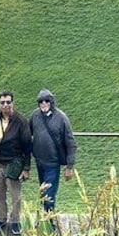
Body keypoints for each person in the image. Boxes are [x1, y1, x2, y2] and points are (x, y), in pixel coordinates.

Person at [0, 90, 31, 236]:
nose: (5, 105)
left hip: (13, 164)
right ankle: (1, 218)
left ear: (13, 103)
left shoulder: (20, 121)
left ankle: (15, 220)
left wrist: (26, 168)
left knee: (15, 195)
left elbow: (27, 145)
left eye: (8, 102)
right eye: (2, 102)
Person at [29, 89, 77, 219]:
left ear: (52, 102)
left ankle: (50, 222)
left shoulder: (61, 118)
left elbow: (70, 142)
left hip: (53, 163)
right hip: (39, 162)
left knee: (49, 195)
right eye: (40, 101)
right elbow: (28, 135)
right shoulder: (35, 116)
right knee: (43, 193)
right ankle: (45, 218)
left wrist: (69, 167)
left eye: (46, 101)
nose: (43, 103)